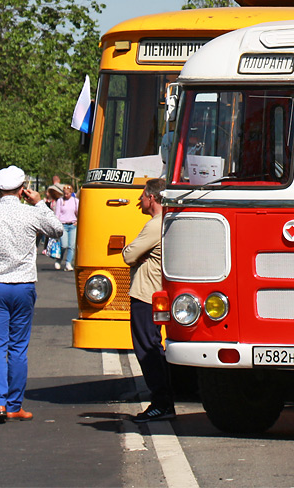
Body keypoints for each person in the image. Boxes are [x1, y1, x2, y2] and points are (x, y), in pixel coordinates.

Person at [0, 166, 63, 424]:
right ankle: (13, 404)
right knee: (18, 347)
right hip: (23, 285)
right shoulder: (29, 213)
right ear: (22, 190)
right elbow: (57, 230)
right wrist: (40, 203)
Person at [122, 178, 174, 422]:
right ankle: (165, 399)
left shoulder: (155, 224)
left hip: (146, 293)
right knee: (156, 344)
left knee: (147, 346)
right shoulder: (171, 221)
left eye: (142, 196)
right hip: (160, 292)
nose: (139, 201)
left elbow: (129, 254)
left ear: (152, 198)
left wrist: (135, 253)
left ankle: (161, 402)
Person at [52, 184, 79, 270]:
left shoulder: (75, 201)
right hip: (63, 225)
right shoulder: (60, 201)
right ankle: (59, 259)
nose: (66, 195)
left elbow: (79, 213)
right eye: (64, 193)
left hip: (72, 225)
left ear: (71, 193)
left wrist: (77, 221)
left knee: (71, 246)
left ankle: (68, 263)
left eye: (67, 193)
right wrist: (57, 224)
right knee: (64, 245)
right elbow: (57, 214)